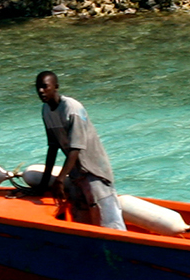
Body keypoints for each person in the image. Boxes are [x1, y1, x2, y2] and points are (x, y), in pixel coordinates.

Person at [31, 71, 125, 230]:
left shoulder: (72, 109)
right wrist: (44, 183)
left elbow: (76, 148)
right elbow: (53, 146)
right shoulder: (46, 110)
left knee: (108, 221)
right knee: (81, 218)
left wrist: (60, 179)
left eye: (45, 87)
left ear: (56, 87)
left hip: (94, 171)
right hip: (76, 173)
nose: (41, 91)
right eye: (38, 87)